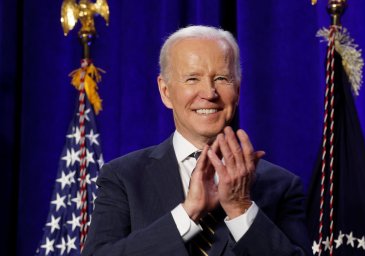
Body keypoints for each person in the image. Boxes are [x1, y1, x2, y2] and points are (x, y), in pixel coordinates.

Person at [83, 25, 311, 256]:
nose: (209, 93)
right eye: (192, 79)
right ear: (165, 91)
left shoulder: (282, 185)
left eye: (222, 78)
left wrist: (240, 208)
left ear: (238, 91)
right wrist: (187, 214)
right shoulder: (124, 177)